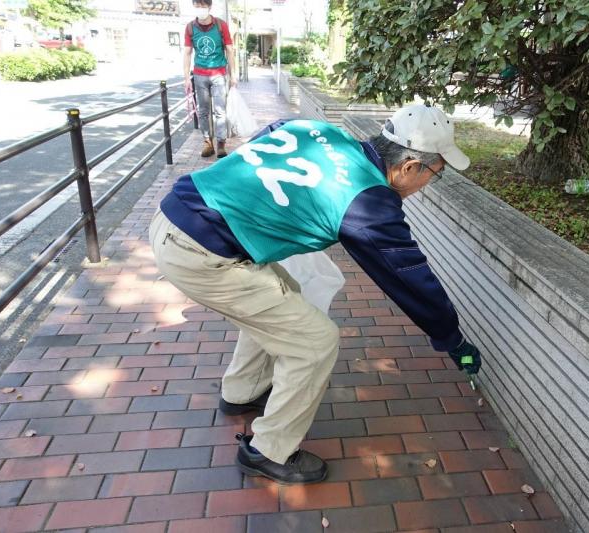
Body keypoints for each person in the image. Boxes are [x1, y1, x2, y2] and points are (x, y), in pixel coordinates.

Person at [149, 104, 483, 484]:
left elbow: (274, 130)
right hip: (199, 253)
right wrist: (451, 338)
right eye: (434, 176)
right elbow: (408, 276)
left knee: (282, 297)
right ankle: (268, 451)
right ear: (409, 167)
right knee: (315, 342)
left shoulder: (324, 132)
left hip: (175, 216)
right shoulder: (368, 203)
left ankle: (241, 392)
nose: (426, 187)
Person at [184, 0, 237, 159]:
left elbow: (229, 50)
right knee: (203, 111)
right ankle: (207, 142)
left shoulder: (221, 25)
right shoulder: (190, 27)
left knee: (220, 110)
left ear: (209, 6)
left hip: (219, 74)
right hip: (200, 74)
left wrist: (233, 74)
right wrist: (187, 78)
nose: (201, 9)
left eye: (203, 6)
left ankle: (221, 143)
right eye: (197, 6)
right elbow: (187, 53)